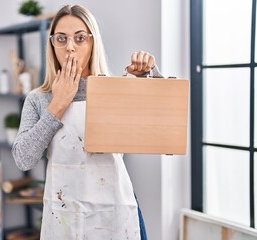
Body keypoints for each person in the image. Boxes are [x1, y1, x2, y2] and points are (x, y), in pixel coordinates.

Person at [12, 4, 163, 240]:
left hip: (115, 214)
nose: (70, 47)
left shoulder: (115, 89)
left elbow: (160, 125)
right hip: (64, 217)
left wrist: (149, 75)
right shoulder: (38, 99)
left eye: (80, 38)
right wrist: (58, 104)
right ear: (52, 45)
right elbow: (23, 159)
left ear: (93, 43)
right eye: (61, 39)